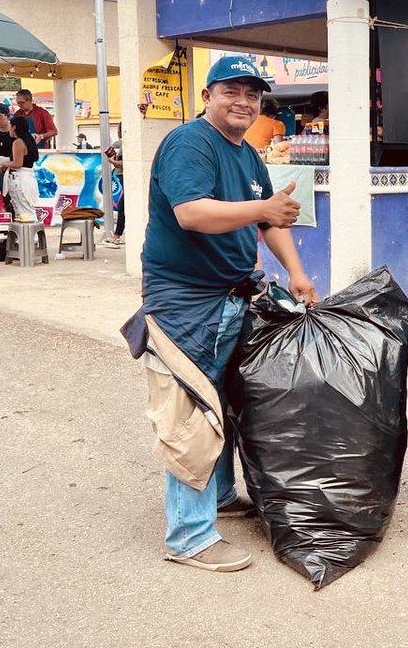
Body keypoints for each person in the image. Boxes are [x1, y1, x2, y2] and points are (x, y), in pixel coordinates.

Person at [130, 55, 318, 574]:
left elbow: (270, 218)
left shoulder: (248, 154)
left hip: (233, 295)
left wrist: (298, 274)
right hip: (185, 300)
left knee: (226, 404)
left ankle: (221, 495)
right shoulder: (190, 143)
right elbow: (191, 214)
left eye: (252, 94)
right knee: (191, 411)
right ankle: (189, 537)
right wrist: (262, 211)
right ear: (208, 95)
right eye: (231, 90)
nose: (243, 102)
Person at [0, 116, 41, 222]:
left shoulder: (18, 142)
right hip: (29, 177)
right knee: (27, 210)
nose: (9, 129)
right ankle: (31, 236)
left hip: (20, 178)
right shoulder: (30, 140)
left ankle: (28, 237)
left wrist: (4, 163)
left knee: (23, 213)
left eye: (10, 126)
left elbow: (17, 163)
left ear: (14, 127)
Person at [104, 134, 125, 248]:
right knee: (122, 206)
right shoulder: (122, 144)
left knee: (122, 206)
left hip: (126, 178)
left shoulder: (125, 144)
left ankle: (117, 236)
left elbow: (124, 163)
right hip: (123, 177)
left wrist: (112, 161)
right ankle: (117, 235)